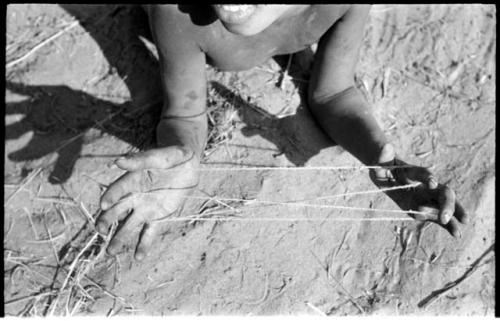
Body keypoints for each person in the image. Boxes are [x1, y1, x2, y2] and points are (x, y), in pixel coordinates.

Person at [95, 5, 468, 260]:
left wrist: (382, 160)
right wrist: (182, 155)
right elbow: (185, 114)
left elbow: (334, 91)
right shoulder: (181, 13)